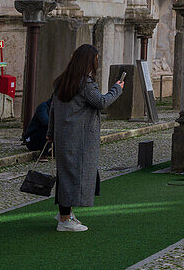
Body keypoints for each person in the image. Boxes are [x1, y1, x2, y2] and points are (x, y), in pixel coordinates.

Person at [48, 44, 123, 232]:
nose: (97, 62)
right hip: (80, 137)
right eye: (96, 59)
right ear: (89, 61)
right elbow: (101, 102)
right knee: (75, 175)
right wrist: (117, 88)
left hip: (64, 135)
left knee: (66, 174)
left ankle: (66, 213)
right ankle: (65, 220)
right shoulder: (85, 83)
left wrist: (50, 132)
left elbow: (52, 109)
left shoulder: (62, 81)